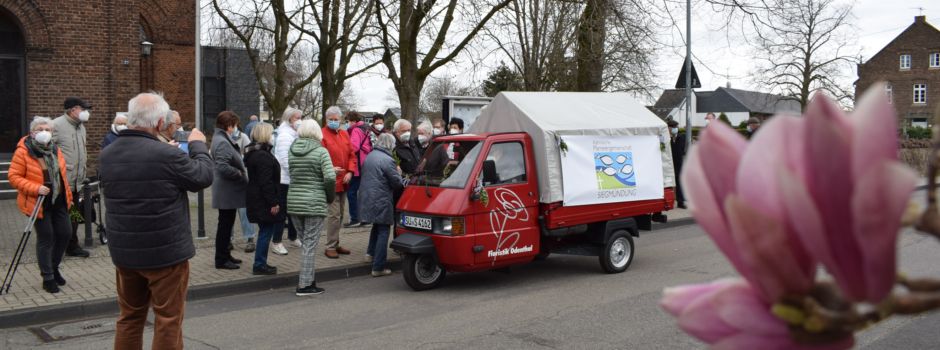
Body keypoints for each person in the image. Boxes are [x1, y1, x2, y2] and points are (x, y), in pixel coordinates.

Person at [99, 92, 213, 350]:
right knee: (168, 318)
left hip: (125, 252)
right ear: (160, 123)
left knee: (129, 317)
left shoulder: (108, 153)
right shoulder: (167, 155)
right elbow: (203, 176)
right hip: (165, 254)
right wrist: (197, 146)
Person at [8, 116, 74, 294]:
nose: (45, 133)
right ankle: (48, 277)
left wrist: (69, 195)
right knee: (47, 238)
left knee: (65, 233)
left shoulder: (55, 149)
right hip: (37, 202)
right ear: (32, 132)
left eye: (48, 129)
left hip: (58, 201)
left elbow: (61, 177)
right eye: (41, 129)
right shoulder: (24, 151)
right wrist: (36, 187)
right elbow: (14, 177)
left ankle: (54, 267)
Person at [287, 119, 336, 295]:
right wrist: (329, 197)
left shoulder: (292, 151)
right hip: (314, 203)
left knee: (306, 244)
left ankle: (309, 279)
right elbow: (329, 178)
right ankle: (305, 285)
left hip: (294, 202)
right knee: (310, 245)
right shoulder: (321, 151)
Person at [358, 133, 404, 276]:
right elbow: (397, 183)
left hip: (367, 197)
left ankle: (369, 254)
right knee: (384, 230)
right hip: (381, 199)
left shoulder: (371, 155)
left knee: (376, 226)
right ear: (390, 144)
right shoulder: (388, 160)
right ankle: (378, 267)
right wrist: (400, 174)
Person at [52, 97, 91, 258]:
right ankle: (58, 246)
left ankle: (72, 245)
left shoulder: (81, 127)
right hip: (62, 182)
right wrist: (60, 168)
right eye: (83, 109)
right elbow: (47, 151)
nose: (86, 113)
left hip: (76, 183)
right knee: (61, 216)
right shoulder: (56, 125)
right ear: (73, 110)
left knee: (74, 214)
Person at [211, 111, 247, 270]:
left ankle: (226, 254)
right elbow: (223, 166)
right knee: (225, 226)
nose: (236, 127)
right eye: (234, 124)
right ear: (228, 125)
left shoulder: (221, 138)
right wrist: (239, 173)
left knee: (227, 224)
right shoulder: (222, 141)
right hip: (227, 191)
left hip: (228, 191)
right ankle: (221, 259)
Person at [243, 122, 280, 275]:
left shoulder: (253, 152)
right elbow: (266, 182)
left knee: (264, 230)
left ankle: (260, 262)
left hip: (256, 197)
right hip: (263, 200)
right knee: (266, 231)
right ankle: (259, 264)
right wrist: (273, 202)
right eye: (271, 133)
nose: (272, 137)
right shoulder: (263, 156)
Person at [321, 106, 357, 259]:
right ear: (326, 120)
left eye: (337, 119)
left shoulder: (344, 134)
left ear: (341, 120)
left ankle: (335, 243)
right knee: (334, 215)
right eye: (331, 119)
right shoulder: (322, 135)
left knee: (341, 214)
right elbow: (320, 158)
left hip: (344, 180)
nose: (334, 122)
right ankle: (330, 246)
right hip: (331, 181)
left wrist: (350, 171)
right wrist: (329, 169)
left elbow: (352, 155)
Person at [272, 108, 303, 255]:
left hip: (291, 179)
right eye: (297, 117)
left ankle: (293, 236)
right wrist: (296, 173)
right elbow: (284, 160)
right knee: (282, 211)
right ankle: (276, 241)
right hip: (284, 180)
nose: (299, 120)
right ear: (289, 118)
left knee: (293, 210)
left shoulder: (294, 134)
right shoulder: (285, 135)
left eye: (300, 117)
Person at [232, 126, 256, 252]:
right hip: (228, 180)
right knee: (228, 212)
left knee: (244, 211)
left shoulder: (243, 137)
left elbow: (250, 153)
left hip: (242, 179)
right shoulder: (220, 138)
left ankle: (250, 238)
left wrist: (240, 158)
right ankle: (228, 240)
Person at [345, 111, 371, 228]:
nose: (347, 124)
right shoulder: (366, 128)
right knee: (363, 193)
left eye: (348, 121)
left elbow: (354, 147)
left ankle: (355, 218)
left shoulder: (355, 130)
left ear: (353, 121)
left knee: (351, 193)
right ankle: (366, 218)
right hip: (366, 162)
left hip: (358, 165)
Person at [667, 120, 686, 209]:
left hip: (678, 163)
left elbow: (681, 150)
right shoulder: (666, 138)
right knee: (668, 183)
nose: (675, 129)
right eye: (672, 127)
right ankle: (668, 202)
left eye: (676, 127)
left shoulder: (681, 137)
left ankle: (680, 202)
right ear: (669, 128)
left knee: (679, 182)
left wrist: (674, 138)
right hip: (668, 163)